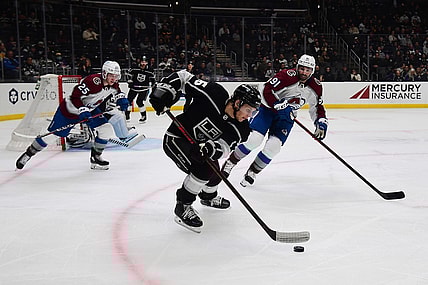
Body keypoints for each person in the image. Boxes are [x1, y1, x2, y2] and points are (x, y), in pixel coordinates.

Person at [149, 70, 261, 232]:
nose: (249, 116)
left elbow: (224, 147)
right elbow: (183, 77)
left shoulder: (241, 129)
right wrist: (164, 91)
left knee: (216, 172)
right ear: (237, 103)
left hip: (200, 147)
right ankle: (183, 206)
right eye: (248, 110)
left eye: (253, 112)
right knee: (204, 170)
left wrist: (211, 149)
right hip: (176, 138)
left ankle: (208, 197)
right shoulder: (214, 94)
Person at [221, 54, 328, 187]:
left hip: (286, 116)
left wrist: (321, 121)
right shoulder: (286, 75)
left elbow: (317, 106)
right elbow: (267, 89)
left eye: (307, 70)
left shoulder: (316, 86)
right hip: (267, 110)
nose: (304, 72)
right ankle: (231, 162)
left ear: (312, 71)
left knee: (274, 147)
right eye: (302, 69)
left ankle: (252, 171)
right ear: (297, 67)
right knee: (254, 139)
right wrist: (275, 103)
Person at [15, 61, 129, 170]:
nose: (114, 78)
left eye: (116, 75)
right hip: (69, 111)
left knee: (105, 129)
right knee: (53, 136)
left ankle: (96, 157)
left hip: (90, 109)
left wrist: (122, 99)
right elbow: (75, 96)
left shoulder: (113, 84)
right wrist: (82, 110)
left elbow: (118, 92)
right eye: (111, 75)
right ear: (104, 73)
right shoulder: (92, 82)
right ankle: (29, 153)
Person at [125, 56, 156, 123]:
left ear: (147, 63)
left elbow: (153, 79)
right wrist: (130, 81)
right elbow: (128, 75)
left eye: (145, 62)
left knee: (139, 102)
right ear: (140, 62)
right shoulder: (134, 68)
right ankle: (127, 115)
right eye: (142, 62)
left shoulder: (150, 70)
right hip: (134, 88)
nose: (143, 63)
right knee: (128, 101)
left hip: (143, 89)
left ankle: (143, 116)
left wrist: (153, 84)